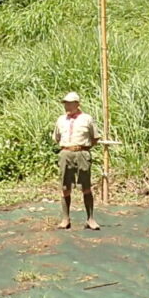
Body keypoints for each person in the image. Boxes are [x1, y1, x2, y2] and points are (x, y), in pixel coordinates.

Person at [52, 93, 102, 230]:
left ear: (77, 104)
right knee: (65, 187)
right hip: (65, 153)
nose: (67, 106)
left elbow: (95, 137)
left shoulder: (87, 119)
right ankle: (65, 219)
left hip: (82, 153)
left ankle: (90, 219)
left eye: (70, 103)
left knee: (85, 186)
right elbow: (56, 138)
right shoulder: (61, 120)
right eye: (65, 103)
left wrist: (83, 148)